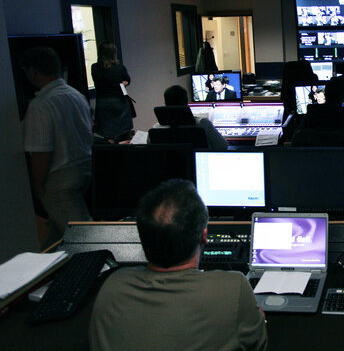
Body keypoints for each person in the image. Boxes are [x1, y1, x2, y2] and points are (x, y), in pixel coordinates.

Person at [89, 179, 267, 351]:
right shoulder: (233, 288)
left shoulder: (113, 285)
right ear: (204, 236)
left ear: (142, 237)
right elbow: (258, 344)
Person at [21, 46, 93, 248]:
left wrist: (38, 185)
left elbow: (42, 151)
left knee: (84, 237)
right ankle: (47, 270)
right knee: (59, 229)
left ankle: (99, 273)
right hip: (84, 170)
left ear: (33, 71)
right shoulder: (75, 95)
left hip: (59, 179)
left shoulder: (41, 105)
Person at [161, 85, 228, 151]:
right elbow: (223, 146)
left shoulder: (157, 127)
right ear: (186, 102)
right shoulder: (203, 123)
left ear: (165, 103)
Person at [91, 42, 133, 142]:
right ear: (114, 53)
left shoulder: (95, 68)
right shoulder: (120, 68)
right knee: (123, 133)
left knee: (107, 135)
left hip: (103, 103)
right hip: (119, 102)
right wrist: (121, 83)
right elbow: (127, 81)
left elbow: (98, 82)